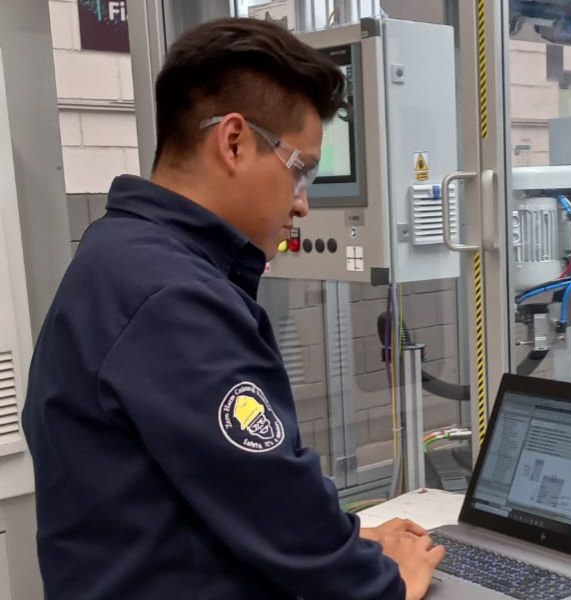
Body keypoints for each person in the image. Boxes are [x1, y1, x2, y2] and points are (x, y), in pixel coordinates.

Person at [22, 17, 444, 600]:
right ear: (235, 141)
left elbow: (225, 488)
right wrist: (384, 579)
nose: (301, 204)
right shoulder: (175, 297)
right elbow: (274, 497)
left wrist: (351, 536)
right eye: (301, 170)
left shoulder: (115, 253)